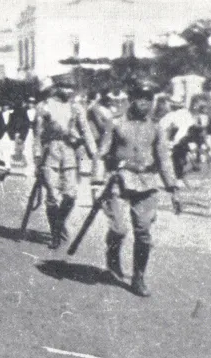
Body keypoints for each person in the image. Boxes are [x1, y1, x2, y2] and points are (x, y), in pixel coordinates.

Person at [93, 79, 178, 297]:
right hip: (119, 181)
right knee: (119, 229)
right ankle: (112, 258)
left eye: (149, 99)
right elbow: (101, 154)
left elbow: (164, 158)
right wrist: (95, 182)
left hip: (147, 183)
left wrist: (173, 188)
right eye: (141, 98)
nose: (146, 104)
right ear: (131, 100)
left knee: (144, 234)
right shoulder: (116, 123)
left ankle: (138, 277)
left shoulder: (156, 128)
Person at [32, 77, 97, 250]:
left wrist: (94, 154)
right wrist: (37, 159)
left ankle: (59, 224)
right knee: (52, 196)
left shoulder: (76, 108)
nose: (68, 91)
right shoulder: (44, 107)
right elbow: (37, 135)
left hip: (70, 154)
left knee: (70, 195)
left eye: (71, 88)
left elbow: (86, 131)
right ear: (56, 88)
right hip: (50, 154)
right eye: (65, 87)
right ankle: (55, 234)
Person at [158, 95, 195, 181]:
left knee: (175, 157)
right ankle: (181, 172)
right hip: (187, 137)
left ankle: (178, 176)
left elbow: (162, 125)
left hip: (179, 138)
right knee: (179, 156)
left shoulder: (172, 115)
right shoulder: (186, 113)